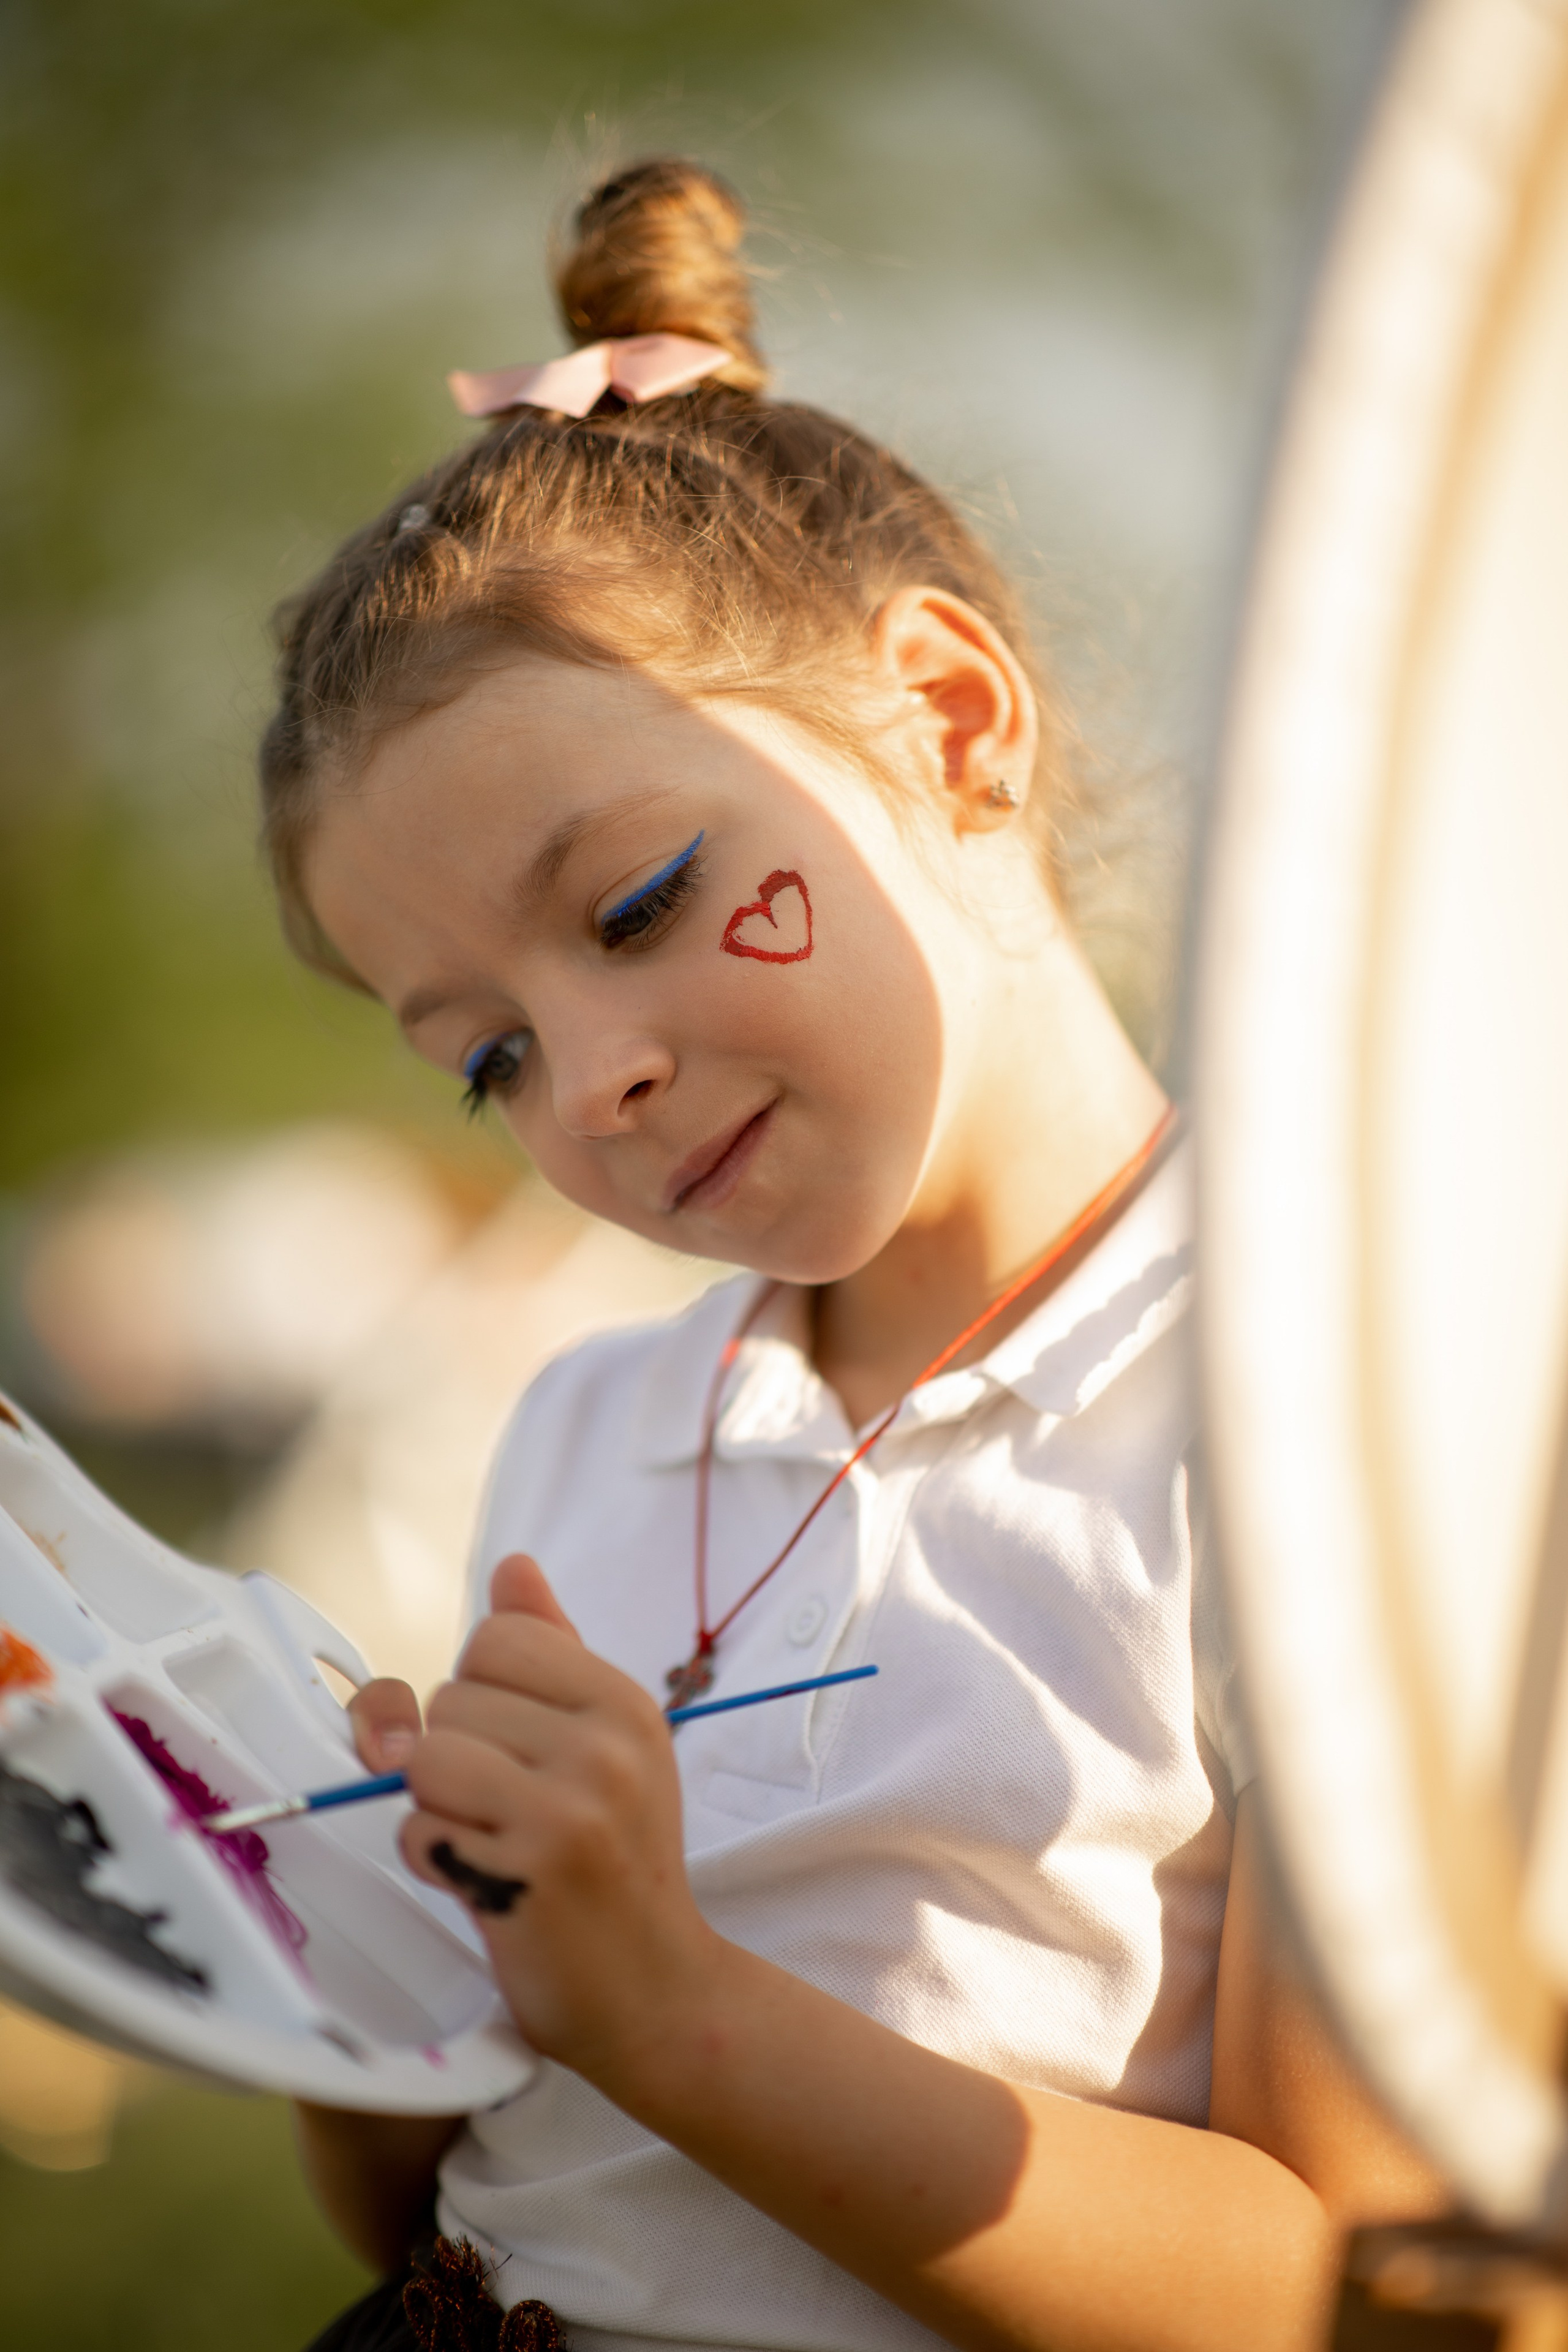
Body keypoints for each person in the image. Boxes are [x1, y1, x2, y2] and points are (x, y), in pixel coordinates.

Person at [264, 158, 1445, 2352]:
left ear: (955, 724)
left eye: (633, 906)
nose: (588, 1078)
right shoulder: (589, 1421)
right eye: (484, 1056)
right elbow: (487, 2200)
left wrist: (671, 2010)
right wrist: (367, 1986)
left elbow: (1370, 2298)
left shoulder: (1335, 1426)